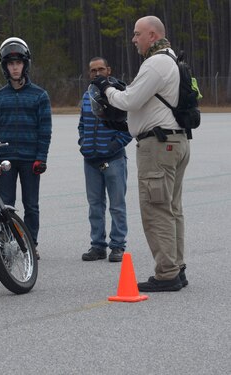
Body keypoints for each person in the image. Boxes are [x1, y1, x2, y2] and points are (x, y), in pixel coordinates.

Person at [91, 15, 190, 292]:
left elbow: (130, 100)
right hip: (175, 142)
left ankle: (167, 273)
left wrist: (106, 87)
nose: (133, 39)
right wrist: (125, 123)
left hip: (158, 148)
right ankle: (177, 267)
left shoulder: (156, 63)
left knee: (156, 210)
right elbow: (149, 106)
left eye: (137, 34)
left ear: (153, 35)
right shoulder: (173, 60)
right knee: (171, 209)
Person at [0, 37, 52, 260]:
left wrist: (41, 157)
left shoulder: (40, 96)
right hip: (6, 161)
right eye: (10, 63)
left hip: (30, 159)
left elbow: (45, 130)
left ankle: (31, 244)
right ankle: (7, 244)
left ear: (25, 65)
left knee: (31, 205)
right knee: (6, 206)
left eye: (18, 63)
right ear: (5, 67)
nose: (15, 67)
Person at [79, 57, 132, 263]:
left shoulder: (119, 94)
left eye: (101, 69)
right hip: (91, 160)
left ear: (108, 70)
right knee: (95, 205)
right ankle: (97, 246)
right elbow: (82, 124)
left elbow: (130, 127)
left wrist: (113, 145)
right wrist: (83, 143)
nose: (97, 73)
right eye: (93, 70)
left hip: (113, 159)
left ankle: (117, 245)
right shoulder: (87, 96)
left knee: (117, 205)